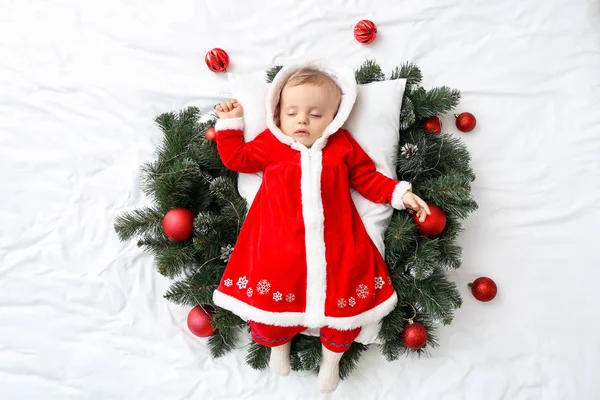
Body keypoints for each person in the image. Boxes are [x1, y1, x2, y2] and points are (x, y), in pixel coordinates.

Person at [212, 62, 430, 392]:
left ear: (334, 118)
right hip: (277, 243)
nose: (302, 120)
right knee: (269, 306)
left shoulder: (341, 146)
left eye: (315, 114)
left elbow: (368, 179)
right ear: (278, 113)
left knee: (344, 305)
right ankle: (277, 345)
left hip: (338, 242)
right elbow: (238, 159)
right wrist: (230, 124)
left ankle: (332, 359)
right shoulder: (272, 143)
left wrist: (401, 193)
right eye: (292, 112)